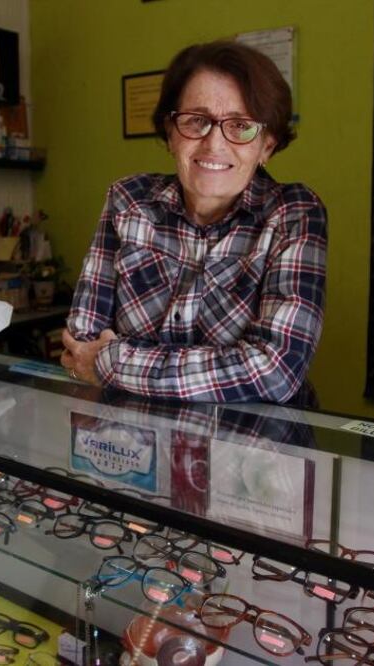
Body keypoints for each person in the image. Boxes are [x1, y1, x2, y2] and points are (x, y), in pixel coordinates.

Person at [62, 40, 327, 403]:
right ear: (170, 133)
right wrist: (222, 367)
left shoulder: (294, 214)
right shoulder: (128, 201)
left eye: (241, 125)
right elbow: (80, 343)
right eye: (196, 121)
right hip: (133, 432)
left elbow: (275, 372)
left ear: (266, 145)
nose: (214, 144)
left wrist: (112, 362)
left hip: (252, 437)